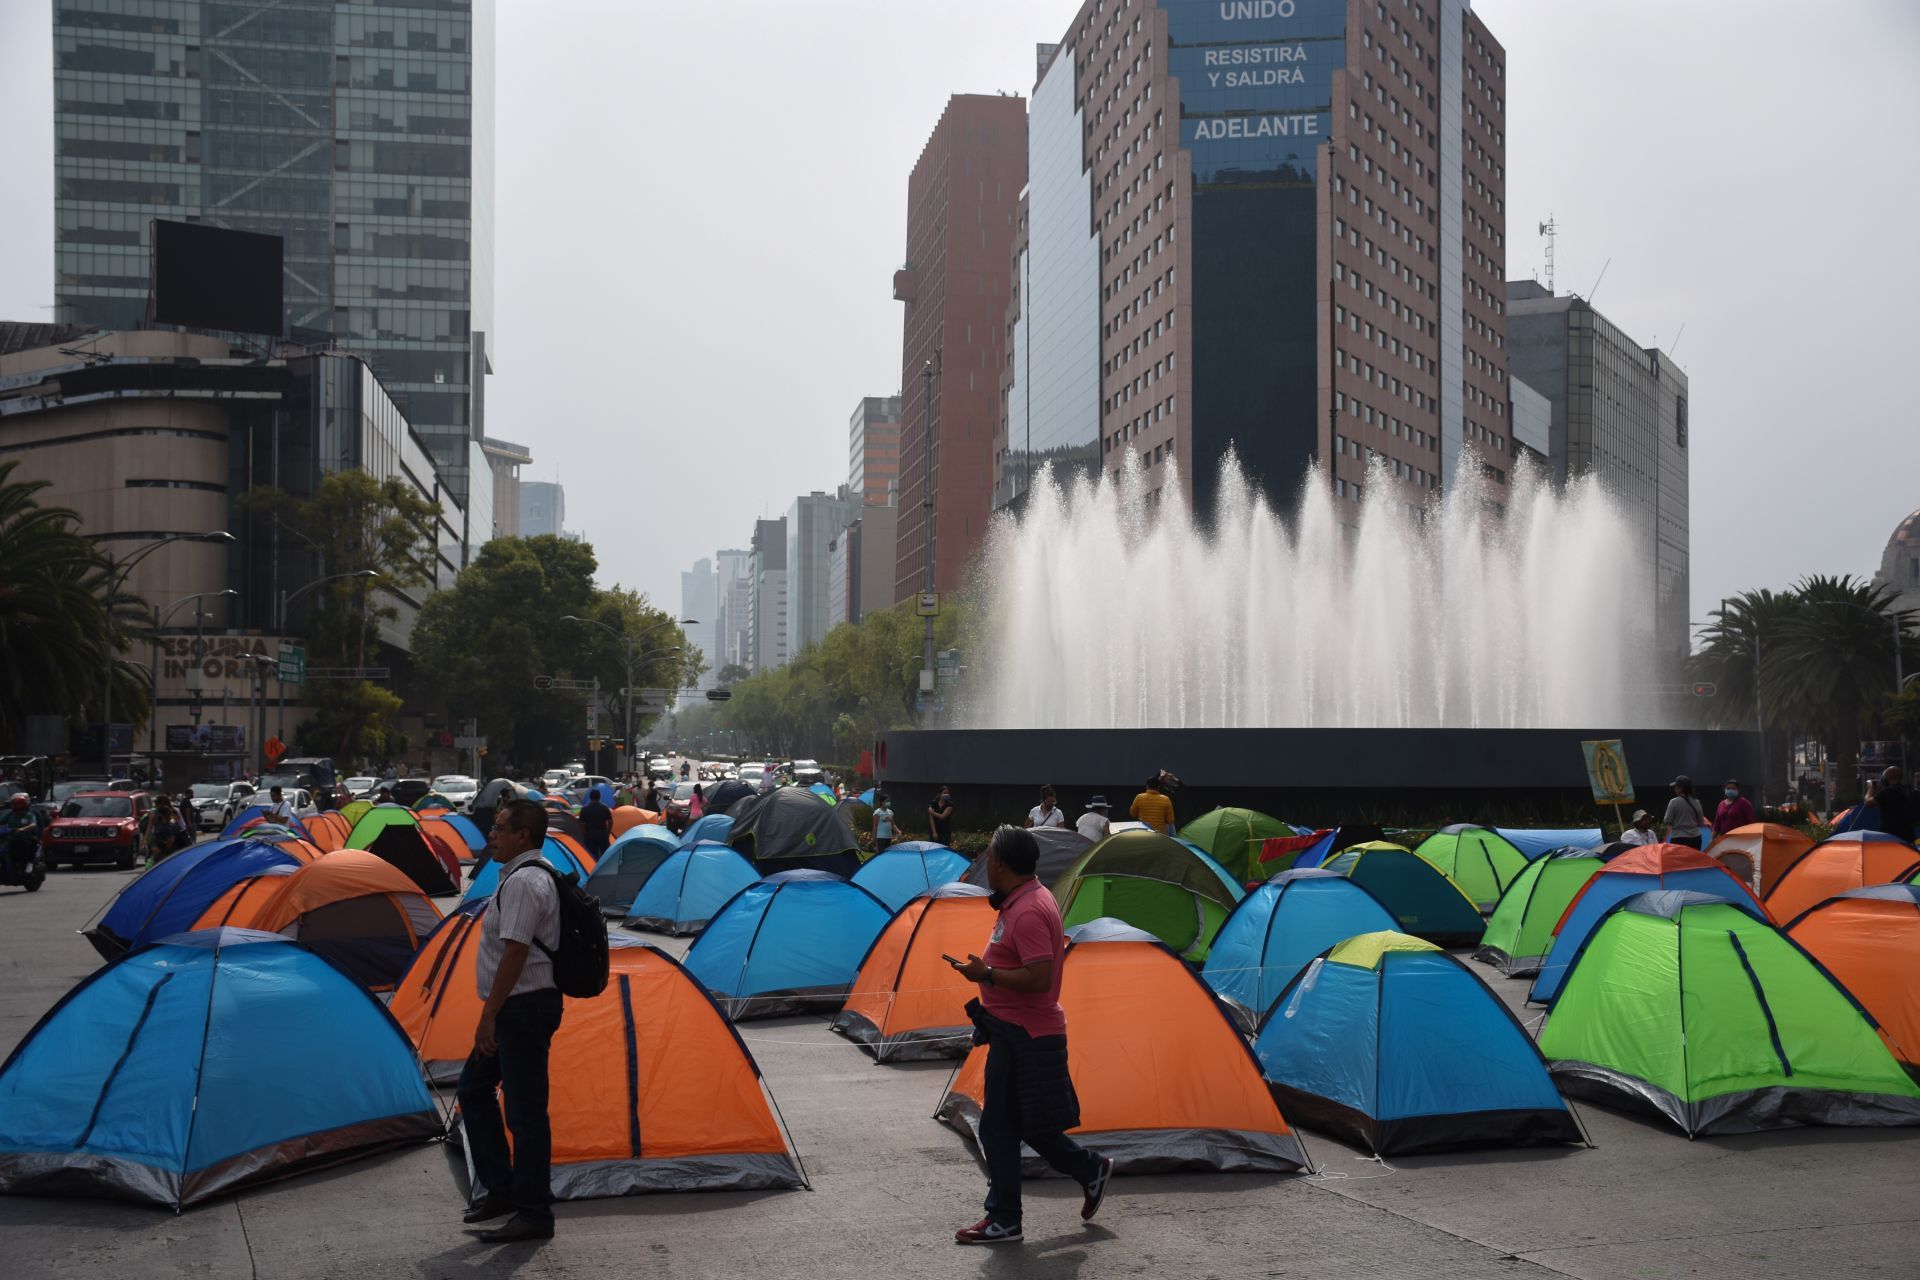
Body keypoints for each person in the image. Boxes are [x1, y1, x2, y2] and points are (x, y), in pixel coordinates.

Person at [948, 826, 1112, 1245]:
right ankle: (1089, 1169)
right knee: (1032, 1127)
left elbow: (1040, 978)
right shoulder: (1020, 902)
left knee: (998, 1128)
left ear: (1001, 862)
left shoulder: (1030, 909)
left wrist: (985, 973)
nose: (986, 862)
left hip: (1027, 1034)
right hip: (1014, 1030)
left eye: (989, 854)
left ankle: (1005, 1220)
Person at [456, 799, 563, 1243]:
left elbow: (516, 952)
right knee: (474, 1090)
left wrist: (488, 1016)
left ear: (524, 835)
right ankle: (502, 1190)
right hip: (519, 1009)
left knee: (525, 1113)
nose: (491, 835)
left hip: (522, 1010)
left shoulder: (524, 882)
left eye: (500, 828)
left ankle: (535, 1212)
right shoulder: (521, 876)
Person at [1870, 766, 1914, 843]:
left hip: (1890, 836)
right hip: (1909, 835)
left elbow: (1868, 803)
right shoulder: (1908, 790)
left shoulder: (1888, 791)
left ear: (1888, 777)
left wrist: (1870, 789)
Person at [1661, 775, 1707, 849]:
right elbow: (1701, 823)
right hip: (1696, 838)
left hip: (1679, 838)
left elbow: (1667, 821)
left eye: (1676, 786)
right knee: (1694, 860)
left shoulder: (1674, 802)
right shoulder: (1696, 802)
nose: (1675, 788)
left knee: (1679, 860)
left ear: (1681, 788)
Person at [2, 794, 41, 876]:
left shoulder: (30, 815)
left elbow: (33, 824)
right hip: (11, 838)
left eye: (15, 805)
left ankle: (28, 865)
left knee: (27, 846)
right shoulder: (11, 814)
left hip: (25, 838)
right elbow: (1, 821)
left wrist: (23, 829)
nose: (13, 807)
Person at [145, 795, 190, 864]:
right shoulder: (154, 813)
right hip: (159, 839)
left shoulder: (173, 812)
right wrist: (145, 840)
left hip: (172, 839)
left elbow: (179, 826)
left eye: (157, 804)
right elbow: (150, 827)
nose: (156, 806)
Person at [578, 786, 613, 859]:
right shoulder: (604, 808)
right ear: (599, 797)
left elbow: (581, 824)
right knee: (605, 856)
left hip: (590, 834)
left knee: (592, 856)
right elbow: (610, 821)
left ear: (590, 797)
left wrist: (584, 834)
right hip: (602, 834)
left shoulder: (585, 809)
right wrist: (607, 832)